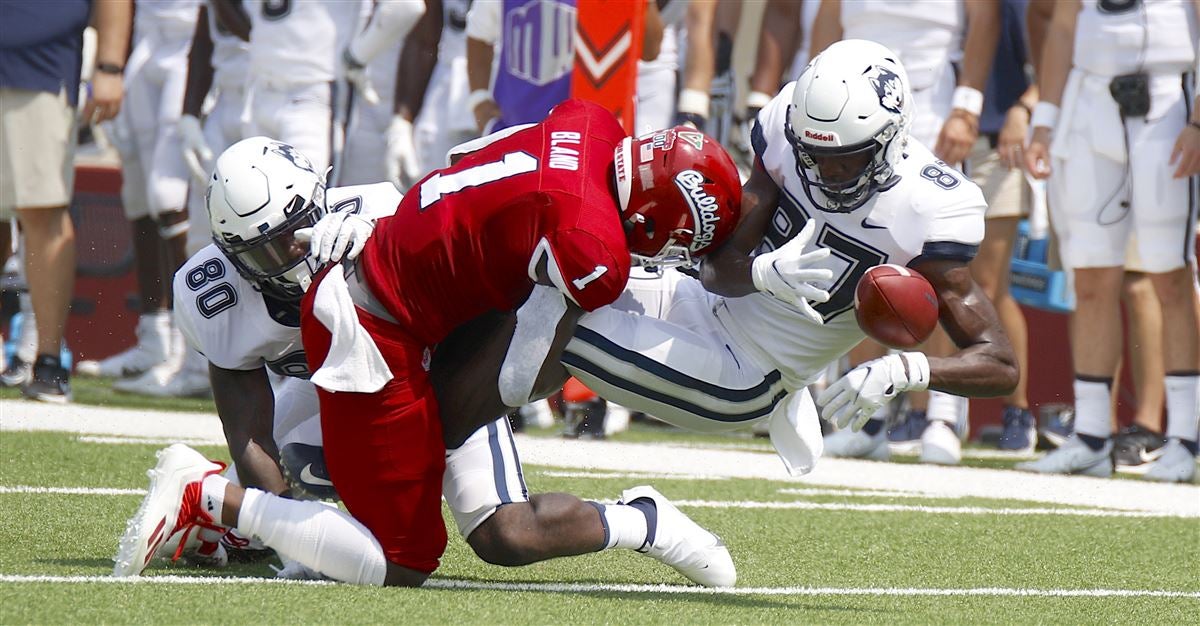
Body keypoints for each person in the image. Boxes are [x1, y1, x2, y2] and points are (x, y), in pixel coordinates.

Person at [116, 102, 744, 587]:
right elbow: (245, 413)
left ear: (322, 194)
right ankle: (234, 521)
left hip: (436, 360)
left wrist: (451, 413)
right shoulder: (211, 296)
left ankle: (644, 523)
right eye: (269, 248)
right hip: (349, 373)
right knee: (304, 474)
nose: (294, 250)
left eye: (300, 226)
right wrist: (274, 508)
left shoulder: (374, 209)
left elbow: (472, 230)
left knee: (505, 536)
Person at [555, 40, 1018, 476]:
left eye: (848, 159)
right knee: (550, 284)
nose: (825, 172)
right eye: (811, 154)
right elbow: (716, 271)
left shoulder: (928, 208)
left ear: (891, 140)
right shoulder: (784, 131)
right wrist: (761, 273)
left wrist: (905, 369)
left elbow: (999, 364)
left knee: (555, 327)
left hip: (749, 375)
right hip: (693, 299)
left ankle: (651, 529)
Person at [810, 0, 1001, 464]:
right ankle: (868, 417)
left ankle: (941, 413)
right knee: (854, 254)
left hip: (929, 108)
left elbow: (985, 17)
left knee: (939, 264)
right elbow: (828, 22)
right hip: (851, 119)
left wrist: (968, 106)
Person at [1019, 0, 1200, 482]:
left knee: (1169, 272)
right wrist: (1045, 119)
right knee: (1092, 275)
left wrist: (1199, 120)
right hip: (1090, 101)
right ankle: (1093, 435)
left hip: (1167, 100)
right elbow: (1062, 25)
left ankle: (1186, 436)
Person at [0, 0, 133, 401]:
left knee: (42, 209)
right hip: (32, 57)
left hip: (36, 64)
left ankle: (48, 359)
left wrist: (109, 66)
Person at [77, 0, 200, 384]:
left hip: (190, 40)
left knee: (169, 196)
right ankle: (153, 337)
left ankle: (191, 345)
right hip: (146, 38)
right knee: (139, 195)